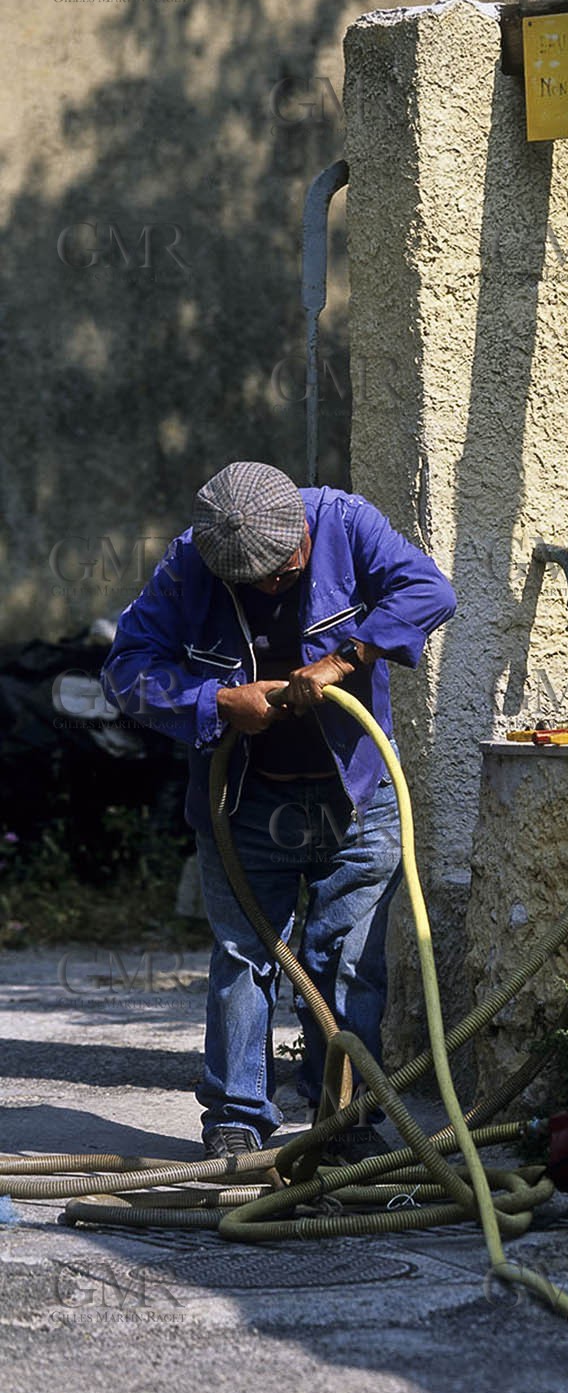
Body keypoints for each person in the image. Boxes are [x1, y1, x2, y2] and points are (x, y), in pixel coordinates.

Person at [102, 461, 456, 1160]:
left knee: (345, 962)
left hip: (356, 798)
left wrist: (345, 658)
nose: (271, 586)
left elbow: (429, 591)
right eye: (253, 580)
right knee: (244, 959)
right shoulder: (191, 563)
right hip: (242, 802)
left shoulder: (345, 521)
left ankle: (344, 1118)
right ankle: (235, 1119)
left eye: (283, 572)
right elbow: (126, 669)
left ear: (302, 527)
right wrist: (213, 702)